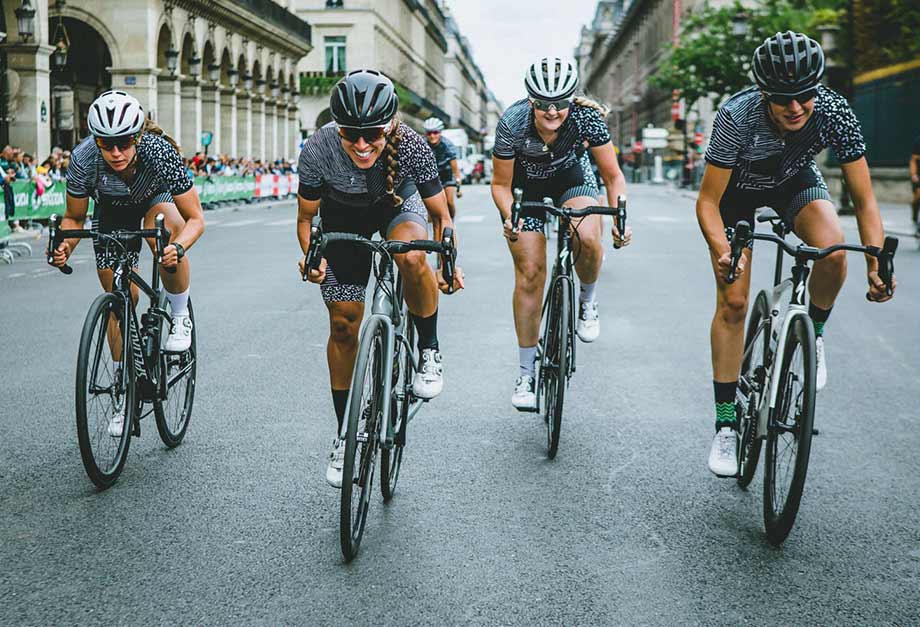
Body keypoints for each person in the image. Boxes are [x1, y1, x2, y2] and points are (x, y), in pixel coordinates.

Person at [697, 32, 897, 477]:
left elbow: (864, 200)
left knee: (833, 253)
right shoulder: (737, 116)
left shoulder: (833, 109)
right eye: (784, 99)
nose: (796, 108)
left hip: (794, 182)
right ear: (764, 93)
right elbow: (708, 202)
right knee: (732, 301)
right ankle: (726, 426)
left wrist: (876, 261)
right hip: (737, 195)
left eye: (804, 96)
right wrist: (722, 249)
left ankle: (816, 334)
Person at [295, 69, 464, 488]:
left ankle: (429, 349)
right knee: (342, 322)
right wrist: (311, 258)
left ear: (389, 125)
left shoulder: (412, 147)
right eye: (352, 133)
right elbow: (306, 217)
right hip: (342, 216)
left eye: (372, 133)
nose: (363, 144)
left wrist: (446, 261)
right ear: (338, 127)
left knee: (410, 257)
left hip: (397, 206)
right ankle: (345, 434)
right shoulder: (319, 148)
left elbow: (441, 215)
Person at [49, 90, 205, 437]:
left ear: (137, 137)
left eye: (123, 143)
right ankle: (125, 389)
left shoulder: (158, 151)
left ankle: (179, 316)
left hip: (155, 202)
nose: (116, 153)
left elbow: (195, 219)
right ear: (96, 140)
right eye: (107, 144)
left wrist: (178, 247)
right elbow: (74, 218)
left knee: (163, 237)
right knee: (120, 302)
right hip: (112, 212)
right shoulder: (84, 158)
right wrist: (65, 246)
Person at [490, 56, 630, 410]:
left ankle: (587, 300)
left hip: (573, 180)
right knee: (530, 274)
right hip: (528, 190)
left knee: (586, 236)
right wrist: (509, 215)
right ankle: (526, 372)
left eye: (560, 105)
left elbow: (612, 176)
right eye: (543, 105)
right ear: (531, 100)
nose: (552, 113)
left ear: (572, 99)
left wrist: (620, 217)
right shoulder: (512, 122)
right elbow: (500, 185)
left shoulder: (588, 118)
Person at [422, 117, 462, 218]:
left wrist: (458, 184)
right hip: (433, 175)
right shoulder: (422, 143)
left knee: (449, 201)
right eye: (429, 133)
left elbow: (454, 167)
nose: (432, 136)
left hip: (447, 174)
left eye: (435, 132)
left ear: (440, 132)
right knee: (431, 204)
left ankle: (451, 222)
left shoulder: (447, 145)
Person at [909, 134, 920, 230]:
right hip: (919, 175)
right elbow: (913, 160)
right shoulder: (918, 141)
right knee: (918, 195)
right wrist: (913, 174)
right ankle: (915, 216)